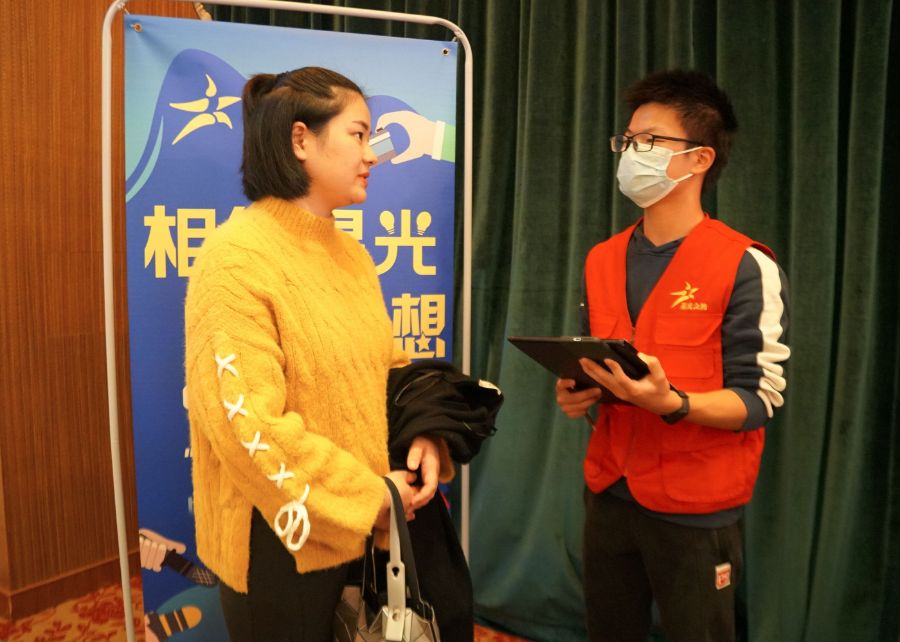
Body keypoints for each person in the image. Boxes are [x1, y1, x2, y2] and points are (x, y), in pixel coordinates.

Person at [184, 66, 446, 642]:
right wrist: (368, 497)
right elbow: (248, 427)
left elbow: (388, 370)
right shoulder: (234, 258)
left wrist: (426, 433)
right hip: (280, 542)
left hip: (364, 527)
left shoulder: (353, 256)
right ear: (301, 139)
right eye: (358, 134)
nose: (371, 154)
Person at [555, 69, 790, 642]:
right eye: (628, 140)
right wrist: (580, 391)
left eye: (650, 140)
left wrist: (675, 403)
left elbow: (758, 399)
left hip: (696, 506)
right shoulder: (602, 258)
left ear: (699, 159)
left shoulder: (744, 263)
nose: (632, 152)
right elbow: (596, 360)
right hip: (610, 492)